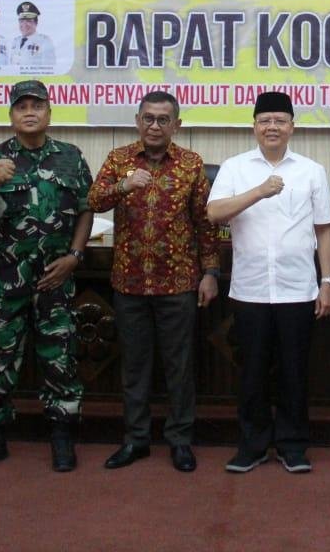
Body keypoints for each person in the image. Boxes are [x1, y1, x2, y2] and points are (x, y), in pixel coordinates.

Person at [0, 80, 93, 473]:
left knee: (59, 357)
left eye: (37, 105)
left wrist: (75, 255)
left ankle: (61, 435)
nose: (30, 112)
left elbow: (88, 207)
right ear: (12, 116)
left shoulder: (71, 157)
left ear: (50, 113)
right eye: (22, 107)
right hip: (5, 280)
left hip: (56, 278)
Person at [88, 91, 219, 473]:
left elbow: (205, 224)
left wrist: (210, 273)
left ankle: (180, 440)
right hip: (129, 283)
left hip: (179, 283)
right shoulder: (119, 160)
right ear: (137, 121)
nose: (155, 125)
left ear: (176, 125)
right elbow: (93, 200)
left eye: (164, 119)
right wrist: (123, 187)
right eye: (148, 118)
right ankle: (136, 439)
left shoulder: (192, 164)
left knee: (179, 367)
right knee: (134, 367)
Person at [208, 91, 330, 474]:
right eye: (265, 121)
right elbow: (214, 213)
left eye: (280, 120)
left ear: (292, 126)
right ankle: (253, 445)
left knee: (295, 371)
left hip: (298, 289)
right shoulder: (235, 167)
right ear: (254, 127)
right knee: (252, 372)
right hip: (250, 290)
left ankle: (293, 445)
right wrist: (259, 191)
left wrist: (327, 281)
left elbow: (325, 230)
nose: (272, 127)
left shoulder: (311, 170)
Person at [11, 1, 56, 69]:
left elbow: (49, 69)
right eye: (21, 21)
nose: (24, 24)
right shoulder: (15, 41)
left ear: (36, 23)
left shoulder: (44, 41)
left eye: (28, 21)